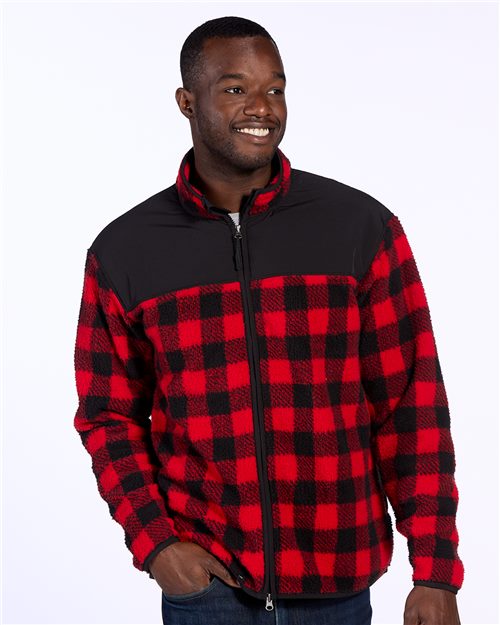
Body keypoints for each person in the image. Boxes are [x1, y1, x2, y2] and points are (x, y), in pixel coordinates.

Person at [73, 16, 464, 625]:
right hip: (207, 589)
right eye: (235, 88)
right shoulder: (126, 251)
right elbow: (109, 416)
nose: (262, 107)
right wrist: (156, 544)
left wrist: (435, 569)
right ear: (187, 102)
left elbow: (412, 405)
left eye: (275, 89)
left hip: (339, 584)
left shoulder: (359, 228)